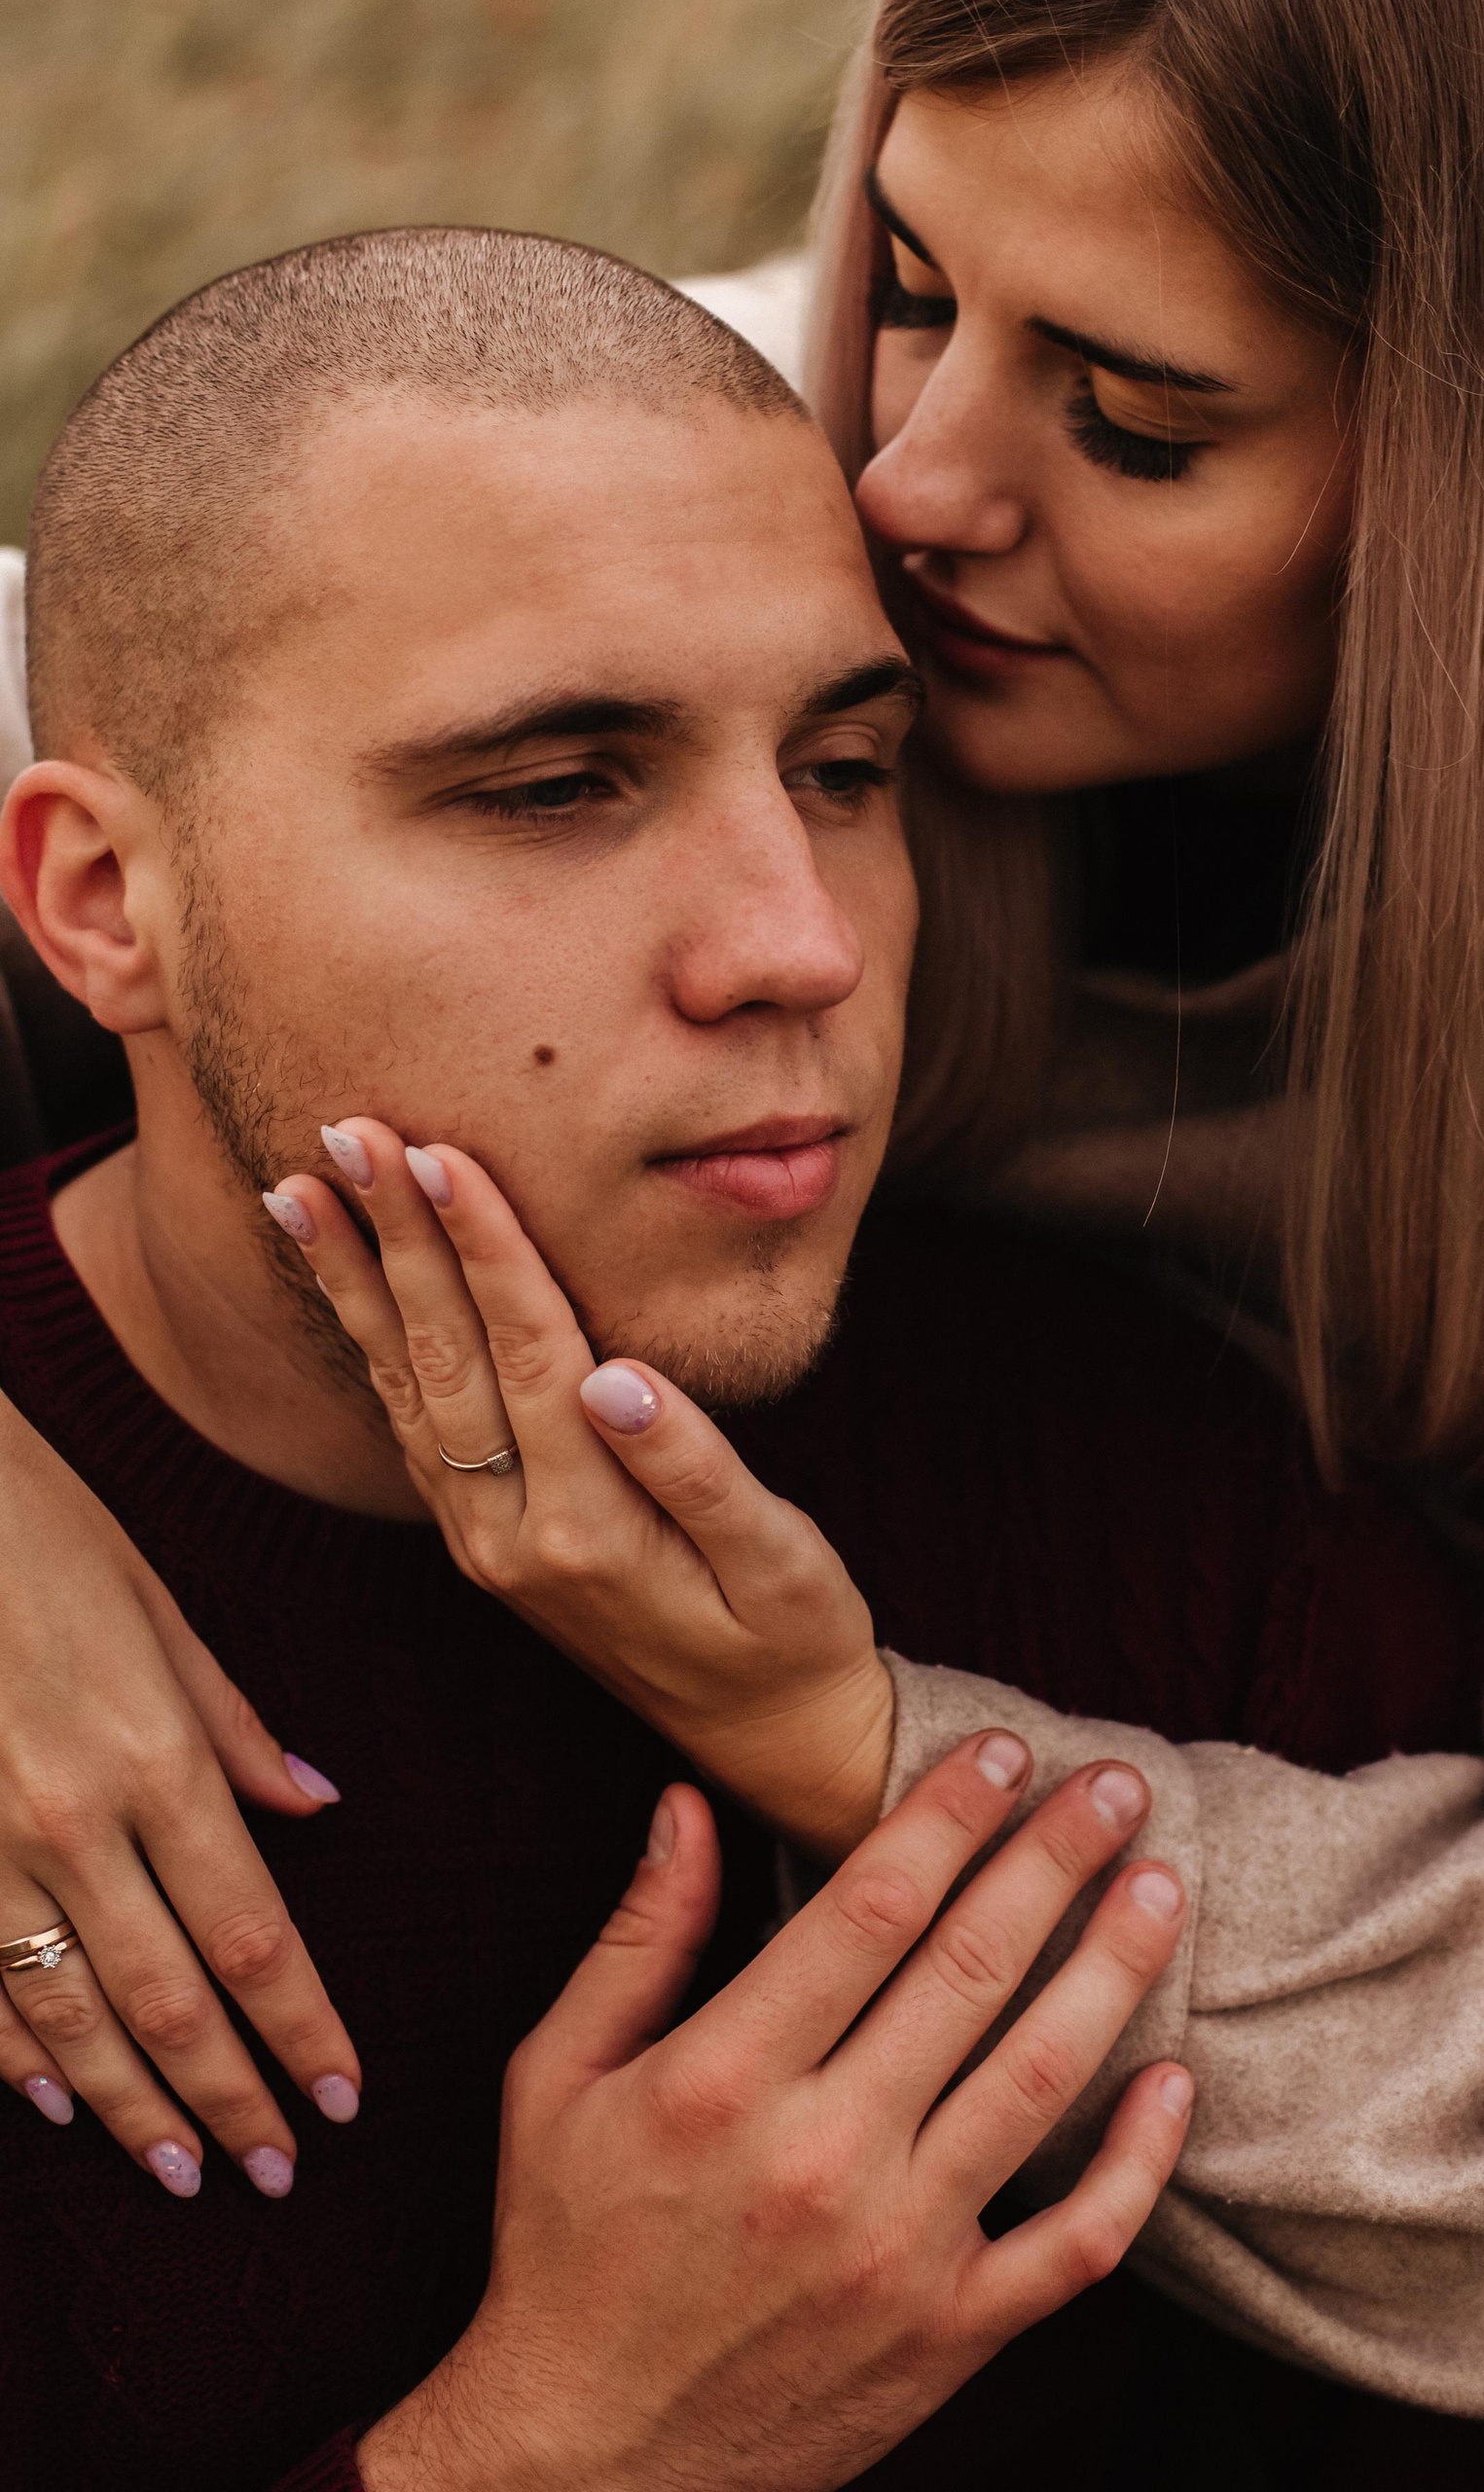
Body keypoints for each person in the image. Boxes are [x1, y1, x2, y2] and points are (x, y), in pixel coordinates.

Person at [0, 0, 1484, 2458]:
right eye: (903, 278)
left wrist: (859, 1750)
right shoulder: (693, 493)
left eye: (1135, 421)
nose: (899, 482)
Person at [0, 227, 1208, 2486]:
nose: (798, 944)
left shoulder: (1159, 1489)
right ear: (100, 904)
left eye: (846, 767)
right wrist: (547, 2457)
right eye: (557, 785)